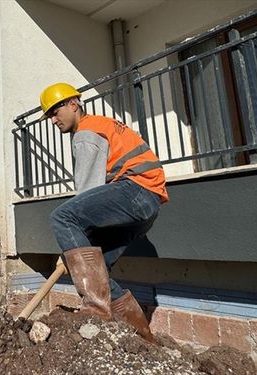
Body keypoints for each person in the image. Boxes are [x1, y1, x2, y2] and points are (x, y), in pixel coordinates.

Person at [40, 83, 168, 342]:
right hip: (148, 203)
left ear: (73, 104)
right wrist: (78, 251)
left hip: (134, 190)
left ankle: (95, 311)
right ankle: (144, 338)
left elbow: (87, 192)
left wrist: (71, 245)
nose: (53, 120)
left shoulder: (86, 133)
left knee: (62, 216)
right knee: (98, 269)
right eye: (50, 116)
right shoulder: (101, 123)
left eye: (55, 112)